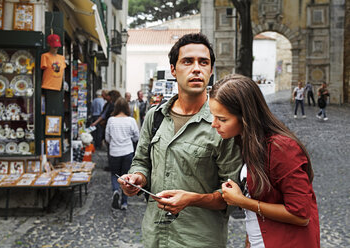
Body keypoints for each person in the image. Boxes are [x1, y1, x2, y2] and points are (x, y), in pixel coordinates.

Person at [117, 33, 242, 247]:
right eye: (187, 61)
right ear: (173, 70)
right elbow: (141, 162)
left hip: (199, 239)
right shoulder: (154, 116)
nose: (196, 68)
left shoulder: (223, 124)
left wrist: (192, 199)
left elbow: (233, 196)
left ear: (211, 70)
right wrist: (137, 178)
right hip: (154, 236)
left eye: (204, 62)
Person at [209, 74, 320, 248]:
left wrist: (241, 201)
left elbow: (301, 215)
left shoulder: (281, 148)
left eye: (222, 119)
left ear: (245, 117)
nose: (213, 124)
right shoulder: (246, 142)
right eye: (213, 116)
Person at [105, 97, 139, 210]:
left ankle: (115, 191)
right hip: (127, 151)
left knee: (115, 175)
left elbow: (107, 138)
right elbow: (136, 137)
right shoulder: (131, 121)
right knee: (126, 177)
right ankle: (124, 203)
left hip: (114, 152)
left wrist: (114, 142)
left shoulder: (111, 120)